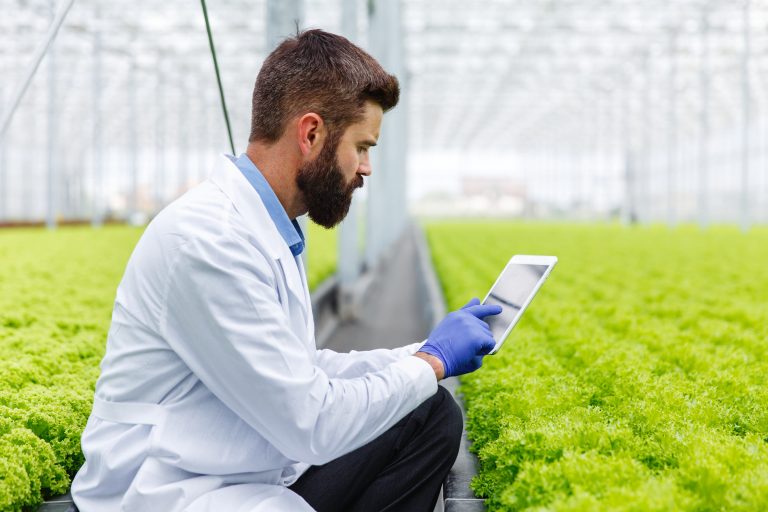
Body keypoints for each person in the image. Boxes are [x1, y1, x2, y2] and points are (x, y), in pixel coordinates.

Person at [71, 29, 501, 512]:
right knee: (419, 399)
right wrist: (434, 363)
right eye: (361, 147)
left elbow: (302, 369)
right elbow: (311, 421)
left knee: (426, 412)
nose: (366, 168)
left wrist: (419, 353)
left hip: (241, 467)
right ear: (311, 133)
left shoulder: (272, 227)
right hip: (176, 489)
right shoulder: (206, 240)